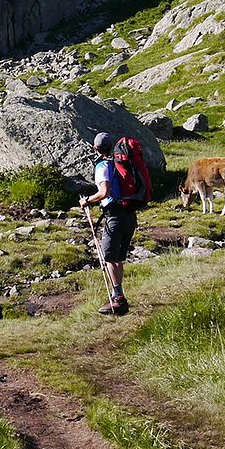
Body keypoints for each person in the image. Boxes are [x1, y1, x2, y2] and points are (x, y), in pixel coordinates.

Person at [78, 132, 136, 315]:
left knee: (108, 257)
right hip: (130, 214)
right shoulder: (121, 163)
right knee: (118, 258)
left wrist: (87, 200)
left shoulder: (102, 166)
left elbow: (104, 192)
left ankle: (118, 298)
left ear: (95, 148)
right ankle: (119, 296)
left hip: (115, 216)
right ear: (112, 147)